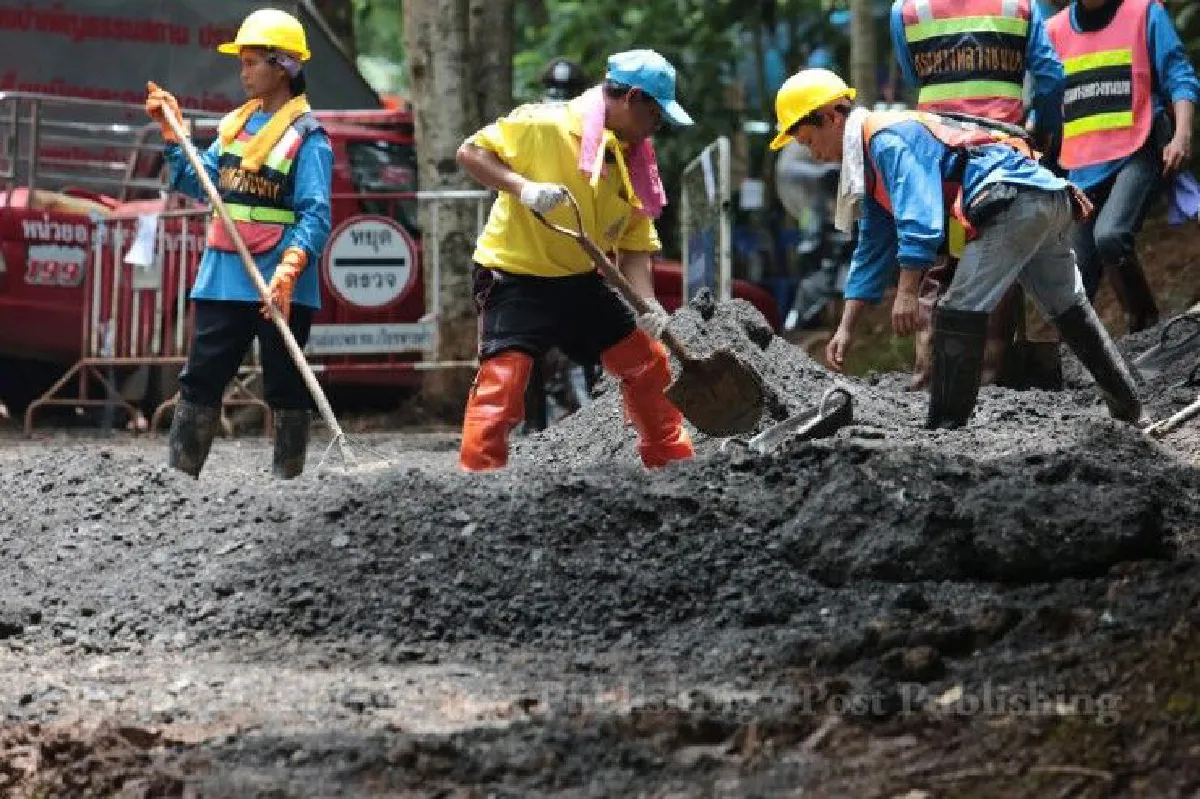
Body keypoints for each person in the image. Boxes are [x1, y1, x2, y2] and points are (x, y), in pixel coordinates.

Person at [770, 69, 1142, 428]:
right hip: (1043, 195)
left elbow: (921, 216)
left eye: (808, 141)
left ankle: (946, 427)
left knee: (957, 311)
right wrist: (846, 328)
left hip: (1013, 201)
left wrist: (907, 291)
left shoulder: (885, 139)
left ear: (833, 116)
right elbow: (871, 246)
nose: (813, 154)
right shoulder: (870, 158)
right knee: (1066, 302)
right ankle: (1128, 405)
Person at [455, 49, 695, 471]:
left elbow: (636, 242)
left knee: (647, 363)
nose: (657, 126)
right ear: (633, 98)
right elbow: (470, 153)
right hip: (515, 276)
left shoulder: (634, 158)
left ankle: (673, 465)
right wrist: (522, 188)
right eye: (656, 114)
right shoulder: (543, 124)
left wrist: (648, 306)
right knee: (503, 385)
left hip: (580, 280)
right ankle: (478, 485)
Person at [144, 8, 333, 479]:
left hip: (282, 281)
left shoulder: (309, 138)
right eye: (242, 61)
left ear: (284, 65)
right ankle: (177, 484)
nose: (243, 71)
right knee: (201, 379)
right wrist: (174, 136)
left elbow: (316, 213)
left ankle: (286, 486)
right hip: (225, 274)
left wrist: (290, 267)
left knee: (287, 385)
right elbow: (197, 182)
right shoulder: (233, 129)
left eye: (252, 61)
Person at [890, 0, 1066, 388]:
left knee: (944, 263)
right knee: (998, 259)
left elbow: (914, 78)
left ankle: (930, 375)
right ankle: (989, 380)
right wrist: (1043, 128)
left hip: (939, 160)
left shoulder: (907, 11)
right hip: (1001, 161)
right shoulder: (1020, 6)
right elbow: (1051, 77)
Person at [1047, 0, 1198, 333]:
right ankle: (1088, 363)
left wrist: (1182, 136)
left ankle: (1143, 322)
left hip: (1140, 149)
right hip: (1083, 165)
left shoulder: (1143, 13)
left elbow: (1179, 76)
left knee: (1111, 235)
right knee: (1073, 279)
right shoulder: (1054, 30)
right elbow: (1046, 99)